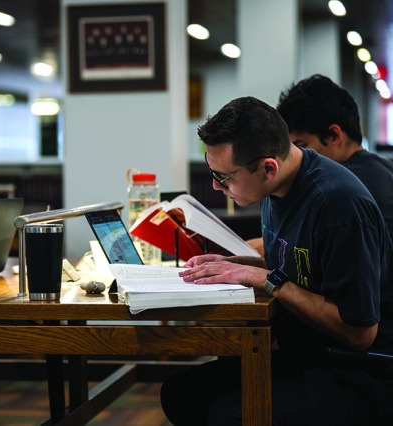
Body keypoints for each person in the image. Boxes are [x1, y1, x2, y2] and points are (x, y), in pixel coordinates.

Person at [159, 96, 393, 425]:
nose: (215, 186)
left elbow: (360, 333)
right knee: (181, 393)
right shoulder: (277, 186)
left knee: (228, 418)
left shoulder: (338, 205)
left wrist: (265, 279)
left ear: (268, 167)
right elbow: (294, 263)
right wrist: (235, 265)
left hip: (363, 369)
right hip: (311, 352)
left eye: (223, 178)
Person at [247, 74, 393, 255]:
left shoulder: (345, 188)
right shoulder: (380, 169)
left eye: (301, 146)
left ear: (334, 135)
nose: (293, 157)